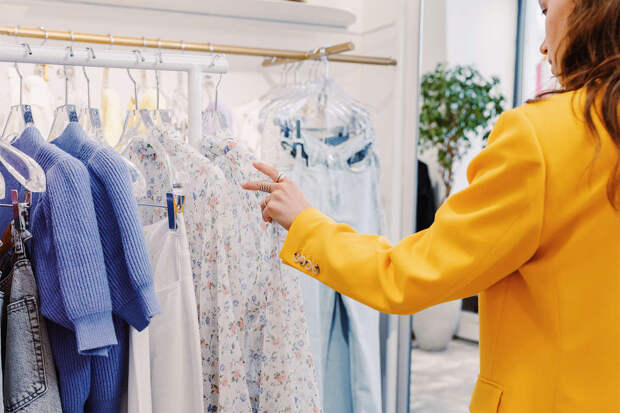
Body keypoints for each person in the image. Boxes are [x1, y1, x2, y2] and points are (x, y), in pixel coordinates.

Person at [243, 0, 620, 411]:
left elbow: (408, 276)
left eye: (545, 11)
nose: (543, 46)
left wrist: (305, 224)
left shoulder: (544, 137)